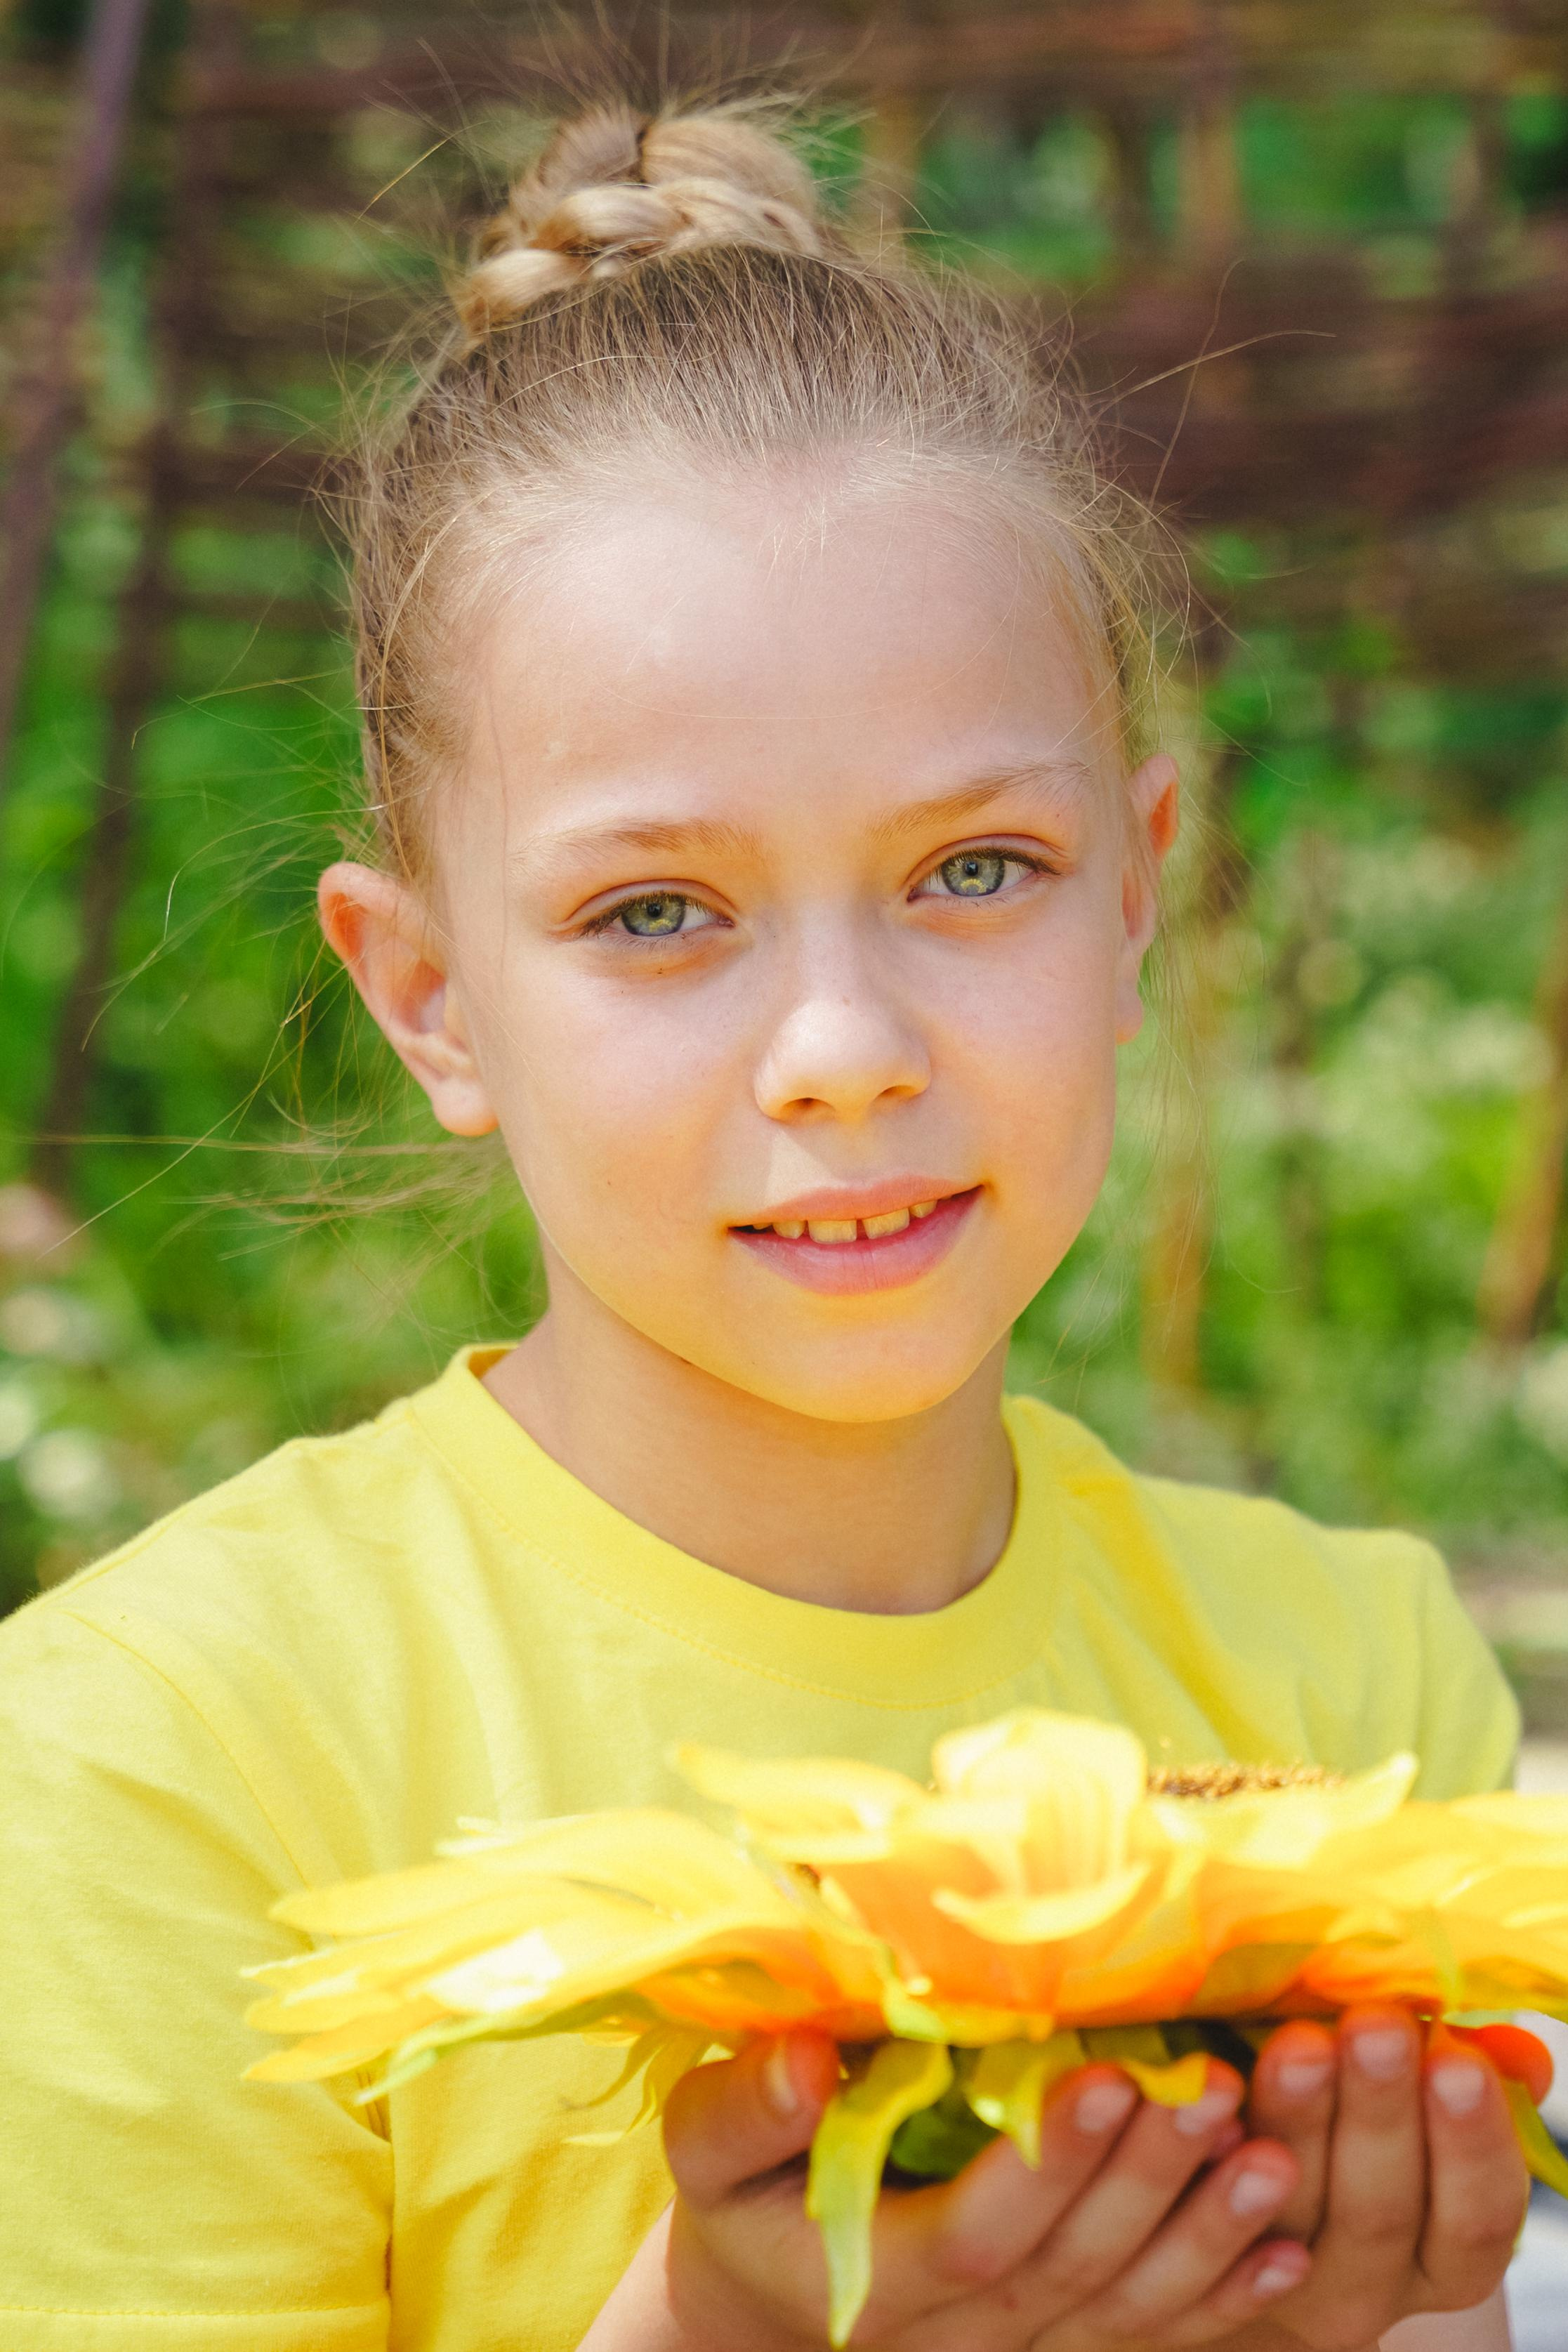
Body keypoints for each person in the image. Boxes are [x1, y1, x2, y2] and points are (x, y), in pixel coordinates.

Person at [0, 97, 1530, 2352]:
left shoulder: (1343, 1695)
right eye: (656, 912)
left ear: (1138, 885)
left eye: (970, 873)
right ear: (428, 999)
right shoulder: (152, 1762)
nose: (841, 1044)